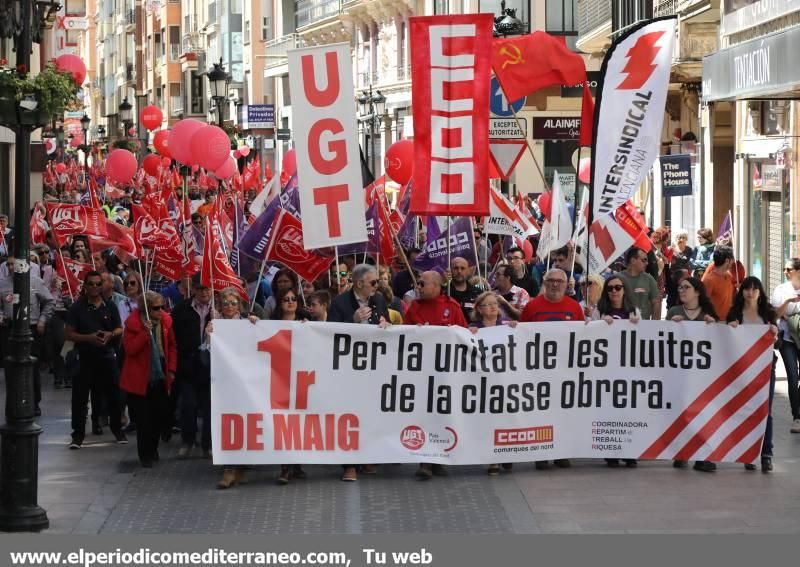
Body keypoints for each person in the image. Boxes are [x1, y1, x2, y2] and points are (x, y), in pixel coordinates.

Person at [328, 264, 390, 482]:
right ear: (359, 283)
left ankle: (367, 455)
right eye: (373, 282)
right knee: (349, 413)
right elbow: (329, 334)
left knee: (370, 411)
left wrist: (385, 323)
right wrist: (352, 321)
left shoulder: (379, 299)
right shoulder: (340, 303)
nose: (377, 285)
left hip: (373, 365)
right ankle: (349, 464)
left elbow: (385, 322)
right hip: (348, 367)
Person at [405, 270, 467, 479]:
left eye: (422, 284)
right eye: (418, 283)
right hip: (421, 373)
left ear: (436, 286)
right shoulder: (414, 308)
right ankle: (425, 461)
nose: (418, 287)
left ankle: (440, 458)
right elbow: (403, 337)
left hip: (446, 373)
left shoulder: (452, 307)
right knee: (424, 416)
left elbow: (464, 335)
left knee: (443, 416)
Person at [521, 268, 584, 469]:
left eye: (560, 281)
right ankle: (542, 453)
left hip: (564, 371)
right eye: (551, 281)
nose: (555, 284)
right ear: (545, 282)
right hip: (538, 370)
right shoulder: (532, 307)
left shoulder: (574, 308)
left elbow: (583, 338)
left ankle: (561, 452)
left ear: (566, 285)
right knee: (541, 413)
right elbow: (521, 335)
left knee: (563, 412)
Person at [64, 270, 127, 449]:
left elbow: (119, 328)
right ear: (85, 286)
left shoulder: (110, 306)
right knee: (80, 398)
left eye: (98, 284)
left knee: (113, 396)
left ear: (102, 286)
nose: (94, 287)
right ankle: (78, 435)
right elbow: (68, 333)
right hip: (84, 358)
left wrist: (110, 334)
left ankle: (117, 429)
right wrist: (89, 337)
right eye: (90, 283)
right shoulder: (77, 307)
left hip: (106, 357)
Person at [205, 288, 259, 487]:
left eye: (233, 303)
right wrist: (209, 335)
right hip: (223, 383)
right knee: (226, 423)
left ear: (240, 305)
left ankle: (240, 467)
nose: (229, 307)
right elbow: (207, 355)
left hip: (246, 382)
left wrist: (256, 325)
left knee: (244, 423)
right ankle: (229, 469)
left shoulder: (248, 321)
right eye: (225, 303)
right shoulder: (214, 324)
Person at [666, 277, 718, 472]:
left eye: (686, 287)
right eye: (679, 287)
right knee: (682, 413)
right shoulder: (674, 312)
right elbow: (663, 340)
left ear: (697, 292)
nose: (681, 290)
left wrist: (714, 325)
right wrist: (671, 325)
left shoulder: (706, 313)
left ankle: (703, 457)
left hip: (702, 376)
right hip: (679, 373)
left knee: (702, 414)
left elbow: (718, 340)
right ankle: (682, 453)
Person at [119, 292, 176, 468]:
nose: (161, 311)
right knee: (144, 420)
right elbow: (130, 349)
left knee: (159, 416)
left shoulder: (166, 321)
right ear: (146, 308)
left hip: (160, 376)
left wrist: (172, 369)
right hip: (139, 379)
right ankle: (145, 454)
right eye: (156, 308)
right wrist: (145, 333)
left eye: (162, 307)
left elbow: (172, 345)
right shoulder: (133, 324)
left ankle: (153, 447)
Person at [728, 277, 779, 472]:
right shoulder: (735, 313)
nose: (750, 292)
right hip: (742, 371)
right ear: (741, 292)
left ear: (760, 292)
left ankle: (766, 454)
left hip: (766, 369)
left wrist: (774, 333)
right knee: (745, 409)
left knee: (766, 410)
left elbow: (777, 344)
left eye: (754, 289)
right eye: (746, 288)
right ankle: (749, 453)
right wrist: (730, 329)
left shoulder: (767, 313)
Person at [592, 276, 640, 468]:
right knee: (608, 410)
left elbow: (643, 337)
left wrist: (638, 325)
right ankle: (610, 451)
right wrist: (600, 324)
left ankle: (630, 452)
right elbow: (589, 335)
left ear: (624, 290)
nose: (614, 291)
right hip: (606, 369)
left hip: (627, 367)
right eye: (610, 288)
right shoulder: (599, 310)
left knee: (628, 410)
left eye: (618, 287)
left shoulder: (633, 311)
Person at [468, 291, 517, 476]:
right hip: (483, 383)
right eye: (488, 304)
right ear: (480, 310)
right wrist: (469, 333)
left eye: (495, 304)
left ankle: (506, 454)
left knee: (505, 419)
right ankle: (492, 460)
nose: (493, 307)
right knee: (489, 421)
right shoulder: (473, 328)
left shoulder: (505, 326)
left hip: (504, 382)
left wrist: (516, 329)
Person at [0, 257, 55, 416]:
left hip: (31, 328)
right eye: (8, 264)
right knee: (10, 367)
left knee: (32, 367)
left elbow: (49, 302)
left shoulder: (36, 282)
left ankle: (34, 402)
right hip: (10, 330)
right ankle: (13, 403)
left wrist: (42, 321)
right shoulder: (2, 284)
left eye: (13, 263)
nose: (11, 267)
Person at [171, 273, 214, 459]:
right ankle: (188, 441)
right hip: (188, 365)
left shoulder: (220, 309)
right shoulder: (181, 309)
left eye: (207, 287)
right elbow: (173, 337)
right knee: (188, 406)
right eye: (200, 288)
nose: (204, 291)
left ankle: (208, 445)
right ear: (193, 289)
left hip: (213, 367)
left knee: (210, 407)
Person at [272, 287, 309, 485]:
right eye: (286, 299)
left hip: (301, 379)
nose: (290, 302)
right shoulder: (270, 325)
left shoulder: (305, 323)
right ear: (279, 303)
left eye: (294, 298)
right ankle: (285, 467)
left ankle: (297, 464)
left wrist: (309, 328)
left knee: (298, 422)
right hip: (280, 379)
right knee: (283, 423)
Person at [771, 258, 800, 433]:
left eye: (788, 269)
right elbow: (777, 313)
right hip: (787, 339)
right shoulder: (781, 289)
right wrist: (788, 301)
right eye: (784, 269)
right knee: (792, 377)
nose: (785, 272)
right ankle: (797, 416)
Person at [615, 247, 660, 320]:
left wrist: (655, 325)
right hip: (622, 324)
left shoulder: (649, 279)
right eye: (644, 260)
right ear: (633, 260)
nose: (647, 263)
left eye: (647, 260)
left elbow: (656, 302)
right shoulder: (617, 278)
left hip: (643, 325)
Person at [702, 246, 734, 322]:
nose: (733, 262)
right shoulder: (709, 280)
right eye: (732, 259)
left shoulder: (729, 276)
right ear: (727, 261)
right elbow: (703, 303)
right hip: (714, 323)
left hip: (728, 321)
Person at [669, 229, 693, 308]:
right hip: (673, 277)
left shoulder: (689, 250)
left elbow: (692, 263)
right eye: (679, 238)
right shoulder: (671, 249)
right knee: (673, 297)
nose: (681, 239)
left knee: (684, 297)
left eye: (683, 237)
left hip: (685, 278)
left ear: (686, 239)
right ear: (676, 239)